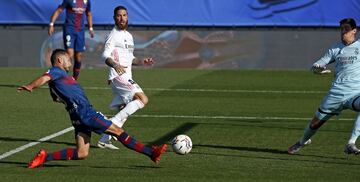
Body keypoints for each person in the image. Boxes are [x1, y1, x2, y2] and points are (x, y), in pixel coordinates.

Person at [17, 49, 167, 169]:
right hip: (86, 113)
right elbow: (44, 78)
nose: (70, 62)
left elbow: (56, 98)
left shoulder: (59, 79)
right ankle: (151, 153)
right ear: (59, 60)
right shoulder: (56, 71)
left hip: (76, 117)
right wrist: (30, 86)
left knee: (82, 153)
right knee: (118, 132)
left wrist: (69, 99)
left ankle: (45, 157)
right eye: (68, 59)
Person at [288, 18, 360, 155]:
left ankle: (351, 143)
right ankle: (302, 141)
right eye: (342, 29)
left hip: (355, 94)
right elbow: (317, 65)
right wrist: (317, 68)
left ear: (354, 31)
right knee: (314, 124)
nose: (343, 32)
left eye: (346, 29)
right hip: (336, 94)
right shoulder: (335, 48)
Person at [97, 5, 155, 149]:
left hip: (125, 75)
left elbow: (131, 59)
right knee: (142, 99)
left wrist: (142, 61)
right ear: (114, 18)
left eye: (124, 15)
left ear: (127, 17)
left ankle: (105, 139)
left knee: (125, 108)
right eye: (119, 15)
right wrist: (114, 64)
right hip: (118, 76)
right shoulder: (113, 35)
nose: (122, 18)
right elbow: (105, 55)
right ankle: (110, 127)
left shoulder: (128, 36)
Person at [48, 0, 95, 80]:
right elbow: (59, 10)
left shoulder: (87, 1)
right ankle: (62, 77)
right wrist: (51, 24)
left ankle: (74, 79)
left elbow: (89, 13)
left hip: (80, 31)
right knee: (69, 54)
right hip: (69, 29)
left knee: (79, 56)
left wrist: (91, 28)